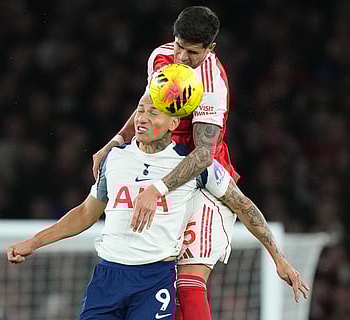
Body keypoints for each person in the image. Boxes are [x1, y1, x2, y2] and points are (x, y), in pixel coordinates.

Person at [7, 97, 308, 320]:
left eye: (154, 113)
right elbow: (86, 213)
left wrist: (278, 258)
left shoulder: (194, 166)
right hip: (108, 276)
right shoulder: (116, 159)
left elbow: (243, 206)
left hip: (154, 280)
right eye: (140, 110)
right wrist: (34, 242)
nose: (142, 118)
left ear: (174, 123)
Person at [92, 6, 241, 319]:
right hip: (163, 166)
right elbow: (147, 109)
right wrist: (115, 141)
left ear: (210, 49)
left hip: (205, 179)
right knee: (160, 280)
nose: (183, 58)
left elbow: (202, 154)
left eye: (193, 52)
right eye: (179, 47)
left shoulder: (212, 85)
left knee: (188, 280)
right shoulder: (160, 57)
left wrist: (158, 189)